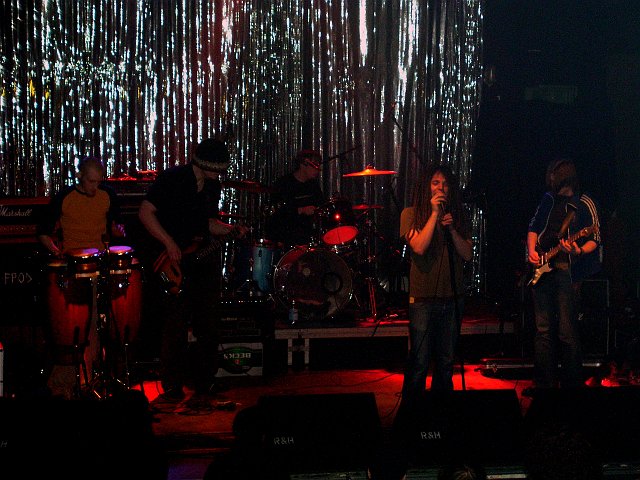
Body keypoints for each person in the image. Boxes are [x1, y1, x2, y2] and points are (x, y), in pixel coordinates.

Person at [138, 137, 246, 406]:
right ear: (205, 163)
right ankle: (172, 385)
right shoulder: (172, 179)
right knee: (175, 324)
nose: (219, 174)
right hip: (174, 259)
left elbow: (208, 223)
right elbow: (146, 212)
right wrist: (168, 242)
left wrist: (231, 230)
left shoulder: (212, 186)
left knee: (209, 324)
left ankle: (205, 383)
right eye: (217, 168)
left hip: (203, 260)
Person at [36, 156, 127, 398]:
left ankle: (93, 375)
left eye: (98, 182)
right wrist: (55, 250)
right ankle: (71, 380)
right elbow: (43, 232)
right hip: (73, 266)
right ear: (80, 176)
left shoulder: (107, 195)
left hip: (99, 264)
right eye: (90, 181)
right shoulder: (64, 197)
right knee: (77, 326)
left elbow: (117, 226)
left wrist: (118, 230)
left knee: (99, 323)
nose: (94, 187)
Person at [398, 163, 473, 398]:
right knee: (419, 361)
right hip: (422, 299)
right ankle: (413, 412)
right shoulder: (410, 214)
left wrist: (452, 230)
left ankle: (442, 413)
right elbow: (419, 247)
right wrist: (433, 215)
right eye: (435, 183)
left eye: (445, 184)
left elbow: (467, 254)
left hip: (452, 298)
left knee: (446, 362)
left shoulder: (458, 216)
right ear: (426, 187)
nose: (441, 188)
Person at [526, 158, 602, 390]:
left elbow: (595, 238)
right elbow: (533, 227)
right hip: (543, 269)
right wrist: (532, 251)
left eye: (554, 175)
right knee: (543, 331)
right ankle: (544, 384)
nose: (550, 179)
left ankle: (572, 386)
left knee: (567, 331)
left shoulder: (584, 202)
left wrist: (578, 250)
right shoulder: (548, 199)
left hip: (567, 274)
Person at [266, 149, 325, 247]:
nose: (318, 169)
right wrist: (301, 210)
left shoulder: (313, 186)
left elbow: (321, 205)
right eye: (315, 165)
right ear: (303, 164)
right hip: (287, 236)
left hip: (307, 236)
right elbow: (276, 213)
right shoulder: (284, 184)